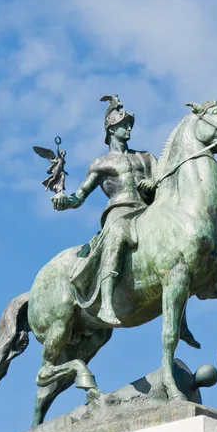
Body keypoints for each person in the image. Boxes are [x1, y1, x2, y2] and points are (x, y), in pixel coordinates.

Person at [52, 95, 155, 326]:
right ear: (111, 128)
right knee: (117, 235)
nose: (128, 128)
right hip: (119, 211)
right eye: (123, 124)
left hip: (147, 210)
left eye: (129, 124)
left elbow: (162, 183)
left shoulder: (146, 157)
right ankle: (107, 304)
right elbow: (79, 196)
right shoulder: (100, 164)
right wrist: (64, 201)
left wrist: (153, 185)